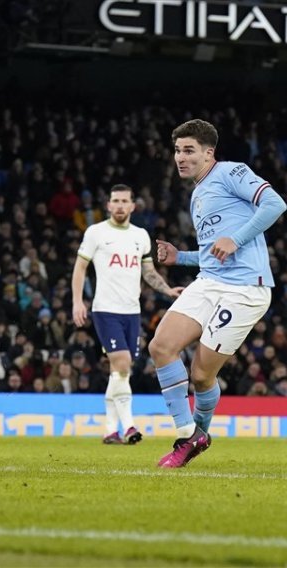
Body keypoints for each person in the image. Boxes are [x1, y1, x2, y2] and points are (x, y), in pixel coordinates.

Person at [152, 119, 286, 468]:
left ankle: (199, 433)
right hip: (209, 281)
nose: (180, 157)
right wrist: (179, 257)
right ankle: (189, 435)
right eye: (178, 150)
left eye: (189, 150)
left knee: (200, 376)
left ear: (208, 153)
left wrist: (237, 238)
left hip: (245, 290)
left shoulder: (230, 172)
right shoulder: (198, 194)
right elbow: (216, 252)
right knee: (160, 346)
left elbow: (275, 204)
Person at [72, 184, 182, 446]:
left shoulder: (141, 236)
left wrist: (167, 290)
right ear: (108, 205)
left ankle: (110, 430)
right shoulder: (96, 233)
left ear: (133, 206)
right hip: (105, 310)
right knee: (122, 363)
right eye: (115, 201)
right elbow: (80, 268)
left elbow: (148, 272)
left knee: (120, 372)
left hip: (132, 312)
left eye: (125, 201)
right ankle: (129, 426)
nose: (120, 205)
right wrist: (77, 302)